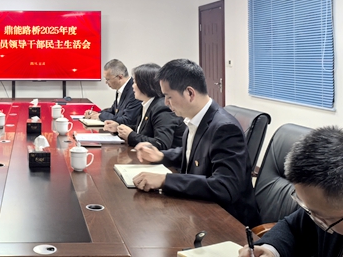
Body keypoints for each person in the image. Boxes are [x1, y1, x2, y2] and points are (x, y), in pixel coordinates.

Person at [133, 59, 260, 227]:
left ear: (190, 93)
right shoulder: (197, 118)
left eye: (169, 96)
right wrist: (161, 155)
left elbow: (225, 186)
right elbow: (192, 152)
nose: (166, 103)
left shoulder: (225, 128)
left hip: (228, 222)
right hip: (200, 209)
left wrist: (165, 180)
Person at [239, 126, 343, 257]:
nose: (312, 217)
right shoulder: (323, 207)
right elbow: (292, 227)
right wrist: (270, 250)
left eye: (320, 217)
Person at [104, 63, 185, 149]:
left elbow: (161, 144)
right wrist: (118, 128)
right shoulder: (147, 104)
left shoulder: (162, 108)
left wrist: (131, 136)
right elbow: (142, 130)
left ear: (145, 84)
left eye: (135, 82)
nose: (132, 86)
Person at [84, 59, 141, 128]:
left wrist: (100, 116)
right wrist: (95, 114)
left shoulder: (135, 91)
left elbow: (127, 120)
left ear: (120, 77)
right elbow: (113, 111)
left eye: (108, 79)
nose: (106, 82)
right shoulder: (121, 89)